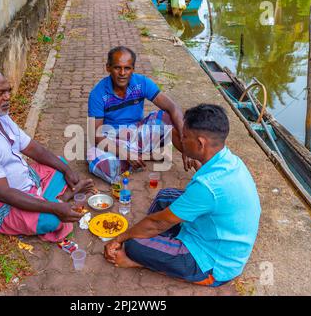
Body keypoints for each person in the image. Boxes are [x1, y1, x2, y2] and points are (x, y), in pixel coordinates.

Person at [104, 104, 261, 286]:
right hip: (214, 231)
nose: (181, 139)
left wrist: (120, 238)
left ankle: (143, 259)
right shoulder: (229, 160)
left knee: (133, 245)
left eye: (185, 137)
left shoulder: (208, 186)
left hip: (214, 263)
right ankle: (157, 240)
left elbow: (158, 222)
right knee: (165, 196)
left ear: (201, 144)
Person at [0, 68, 95, 253]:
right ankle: (58, 201)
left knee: (59, 163)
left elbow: (34, 148)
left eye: (8, 91)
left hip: (24, 181)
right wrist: (55, 209)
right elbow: (2, 193)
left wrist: (67, 170)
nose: (7, 97)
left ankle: (55, 200)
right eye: (0, 93)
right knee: (53, 220)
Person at [87, 46, 194, 183]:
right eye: (117, 68)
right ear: (108, 68)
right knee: (99, 161)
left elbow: (173, 107)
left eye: (127, 68)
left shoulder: (141, 83)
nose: (122, 73)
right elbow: (96, 135)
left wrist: (186, 147)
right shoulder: (98, 94)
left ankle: (136, 157)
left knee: (168, 117)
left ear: (133, 69)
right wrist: (124, 153)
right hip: (113, 138)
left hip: (137, 133)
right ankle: (141, 156)